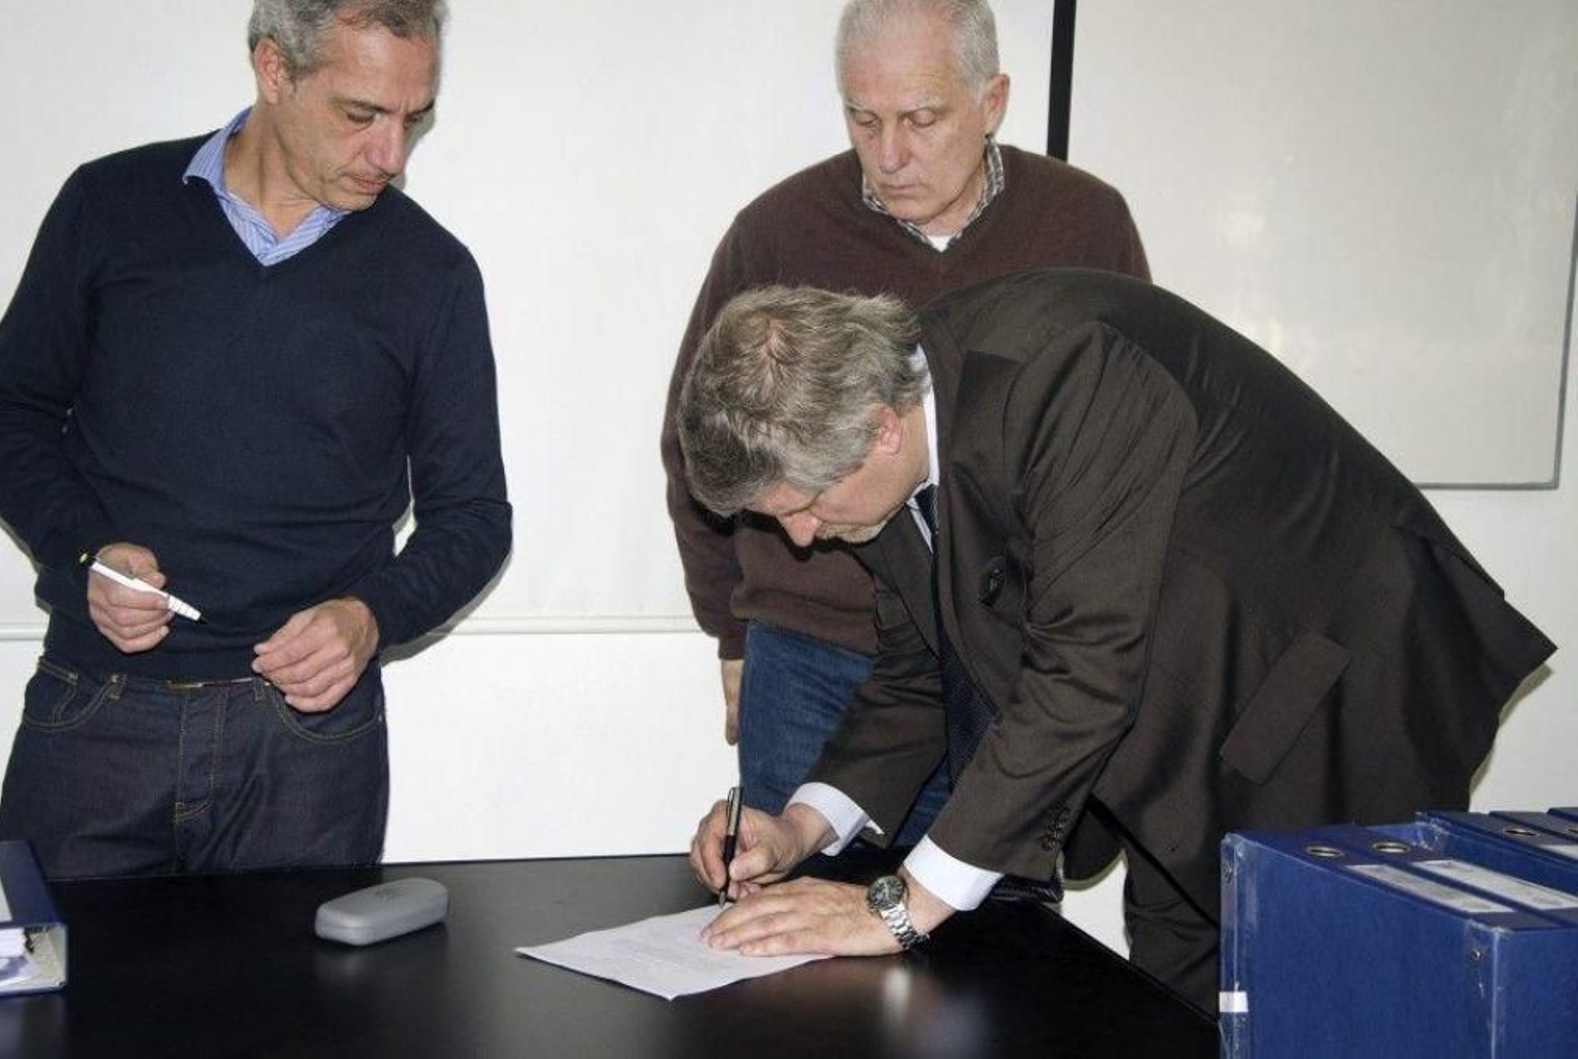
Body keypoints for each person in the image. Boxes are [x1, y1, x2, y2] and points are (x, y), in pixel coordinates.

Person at [679, 272, 1555, 1012]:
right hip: (1185, 724)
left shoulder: (1066, 371)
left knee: (1338, 1004)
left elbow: (1083, 672)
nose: (799, 537)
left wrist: (899, 907)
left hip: (1334, 696)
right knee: (1176, 1007)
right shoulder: (894, 432)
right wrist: (799, 826)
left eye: (800, 504)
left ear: (881, 427)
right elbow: (922, 663)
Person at [0, 0, 511, 879]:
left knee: (298, 1020)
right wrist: (83, 555)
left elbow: (475, 517)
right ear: (273, 69)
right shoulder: (109, 206)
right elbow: (6, 409)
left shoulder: (433, 274)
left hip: (306, 741)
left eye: (414, 119)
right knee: (41, 1004)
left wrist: (368, 617)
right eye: (360, 114)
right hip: (96, 712)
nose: (392, 155)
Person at [661, 0, 1148, 845]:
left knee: (996, 935)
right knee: (789, 920)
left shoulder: (1086, 225)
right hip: (807, 654)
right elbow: (699, 446)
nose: (889, 157)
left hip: (1006, 660)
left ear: (991, 102)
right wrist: (731, 632)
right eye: (864, 119)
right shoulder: (776, 233)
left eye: (922, 119)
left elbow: (1133, 445)